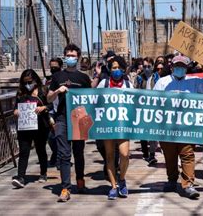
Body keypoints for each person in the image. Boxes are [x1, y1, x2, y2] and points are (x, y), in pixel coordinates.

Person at [152, 54, 203, 199]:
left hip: (187, 127)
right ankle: (172, 179)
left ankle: (188, 184)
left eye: (182, 66)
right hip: (167, 127)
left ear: (186, 68)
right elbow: (152, 100)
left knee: (187, 155)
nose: (179, 68)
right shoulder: (162, 82)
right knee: (170, 156)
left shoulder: (194, 82)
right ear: (172, 67)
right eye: (177, 66)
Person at [47, 44, 92, 202]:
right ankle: (65, 187)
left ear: (78, 57)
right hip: (62, 119)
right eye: (68, 55)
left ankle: (80, 181)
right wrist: (58, 91)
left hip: (79, 119)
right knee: (64, 154)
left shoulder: (84, 78)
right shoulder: (57, 77)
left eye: (73, 55)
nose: (70, 58)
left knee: (78, 153)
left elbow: (91, 100)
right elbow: (48, 98)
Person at [97, 56, 134, 200]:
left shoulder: (128, 85)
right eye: (113, 68)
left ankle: (122, 179)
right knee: (110, 156)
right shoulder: (104, 83)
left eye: (119, 67)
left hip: (123, 125)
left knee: (124, 155)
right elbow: (93, 98)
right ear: (110, 69)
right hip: (108, 124)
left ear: (123, 69)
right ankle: (113, 186)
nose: (116, 70)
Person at [12, 69, 51, 188]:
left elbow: (51, 105)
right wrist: (16, 111)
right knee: (24, 151)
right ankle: (20, 177)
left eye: (30, 81)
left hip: (40, 126)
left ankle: (43, 173)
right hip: (25, 126)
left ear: (35, 80)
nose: (27, 84)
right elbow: (15, 107)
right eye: (25, 82)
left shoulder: (44, 90)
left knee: (40, 149)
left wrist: (44, 107)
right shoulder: (20, 92)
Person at [137, 57, 159, 165]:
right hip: (142, 108)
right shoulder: (139, 78)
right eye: (144, 66)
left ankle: (152, 155)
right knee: (143, 133)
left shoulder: (157, 78)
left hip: (155, 108)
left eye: (148, 66)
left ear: (153, 67)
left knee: (154, 134)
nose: (146, 69)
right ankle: (145, 152)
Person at [45, 58, 63, 168]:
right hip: (50, 110)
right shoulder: (46, 81)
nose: (53, 69)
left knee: (61, 136)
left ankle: (60, 159)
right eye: (51, 66)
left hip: (61, 110)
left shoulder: (64, 78)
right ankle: (56, 153)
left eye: (55, 67)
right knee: (51, 137)